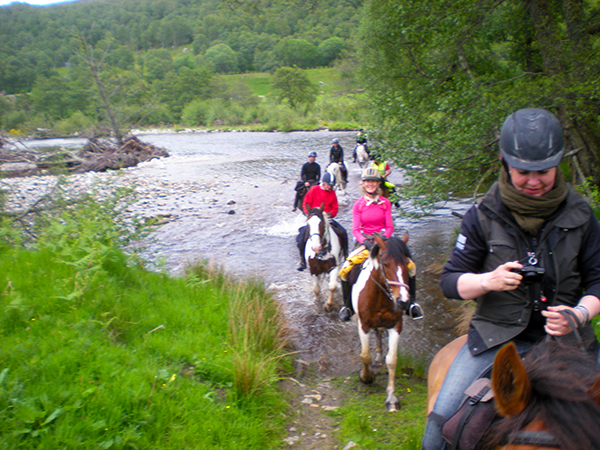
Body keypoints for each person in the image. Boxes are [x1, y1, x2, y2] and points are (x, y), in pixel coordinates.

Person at [422, 108, 600, 450]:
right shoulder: (481, 215)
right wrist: (488, 281)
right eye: (523, 172)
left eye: (544, 172)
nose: (534, 182)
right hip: (493, 340)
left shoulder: (582, 215)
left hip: (570, 345)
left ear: (558, 165)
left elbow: (597, 282)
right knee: (439, 427)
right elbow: (450, 281)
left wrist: (578, 314)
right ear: (504, 163)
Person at [337, 166, 424, 321]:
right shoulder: (358, 204)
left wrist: (383, 239)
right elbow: (356, 229)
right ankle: (348, 307)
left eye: (374, 181)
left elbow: (390, 226)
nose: (370, 184)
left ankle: (411, 304)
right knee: (345, 270)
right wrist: (367, 243)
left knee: (410, 266)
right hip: (364, 242)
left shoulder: (385, 203)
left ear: (378, 184)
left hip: (384, 240)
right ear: (363, 183)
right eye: (368, 181)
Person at [296, 172, 348, 271]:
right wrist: (309, 214)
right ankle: (303, 261)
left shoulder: (332, 192)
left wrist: (330, 214)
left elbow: (335, 208)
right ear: (324, 183)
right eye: (329, 185)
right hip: (314, 219)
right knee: (301, 237)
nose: (330, 187)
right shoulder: (314, 189)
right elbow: (306, 203)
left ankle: (345, 255)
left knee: (343, 232)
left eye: (332, 186)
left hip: (327, 219)